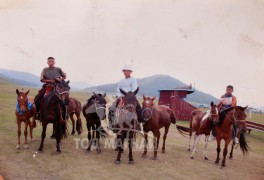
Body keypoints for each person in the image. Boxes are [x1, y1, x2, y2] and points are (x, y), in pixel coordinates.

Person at [108, 65, 143, 132]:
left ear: (130, 72)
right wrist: (119, 96)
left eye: (127, 71)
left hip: (131, 97)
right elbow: (118, 90)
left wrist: (130, 95)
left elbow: (134, 89)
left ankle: (138, 124)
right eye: (124, 71)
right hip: (122, 97)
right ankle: (112, 124)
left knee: (139, 108)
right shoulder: (121, 81)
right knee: (112, 108)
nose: (125, 72)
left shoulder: (133, 80)